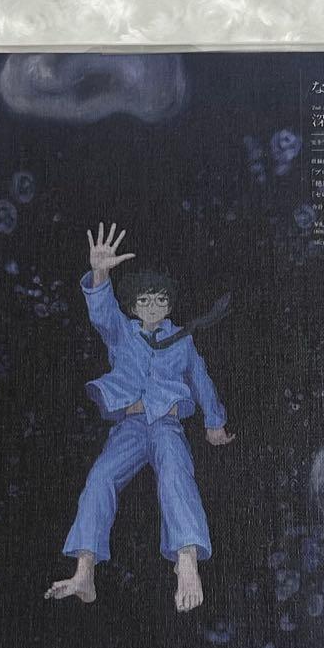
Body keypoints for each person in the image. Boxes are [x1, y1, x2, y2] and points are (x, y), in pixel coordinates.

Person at [44, 222, 235, 611]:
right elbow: (102, 312)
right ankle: (84, 571)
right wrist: (100, 273)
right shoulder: (122, 332)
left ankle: (186, 561)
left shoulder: (182, 340)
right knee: (100, 478)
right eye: (144, 300)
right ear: (132, 306)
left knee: (176, 475)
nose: (152, 306)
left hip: (166, 424)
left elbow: (201, 380)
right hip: (129, 426)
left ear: (169, 305)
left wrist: (214, 422)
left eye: (160, 300)